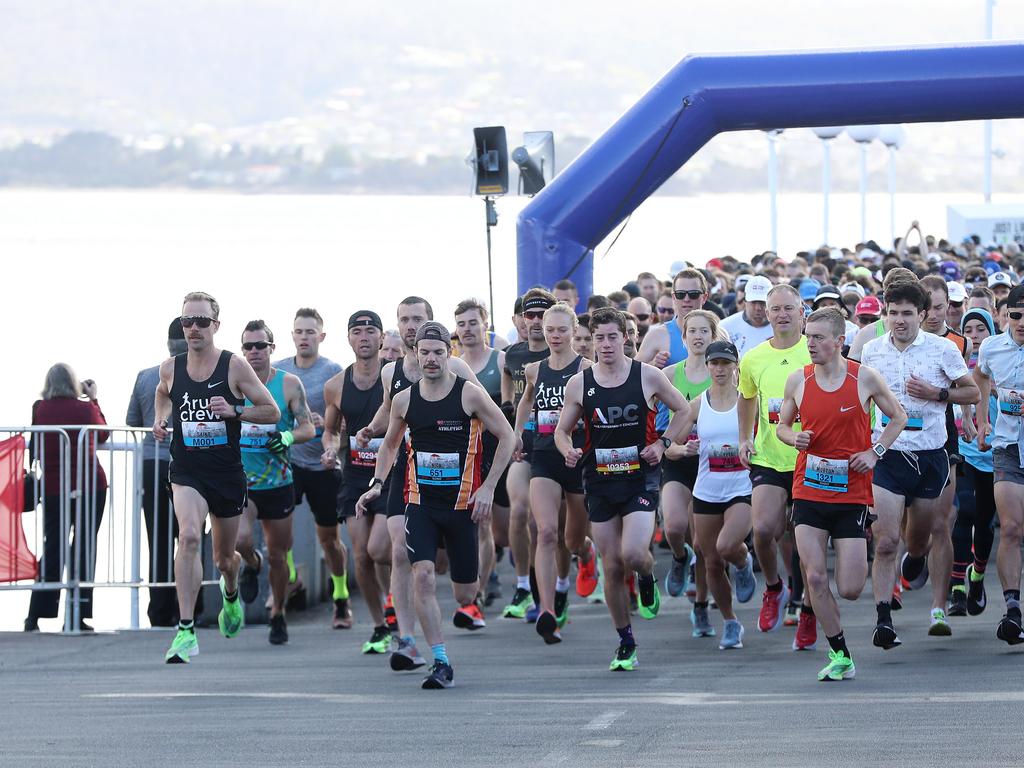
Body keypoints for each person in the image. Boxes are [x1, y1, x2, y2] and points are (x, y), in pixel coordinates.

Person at [356, 322, 515, 689]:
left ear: (449, 354)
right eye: (424, 352)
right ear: (415, 354)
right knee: (422, 575)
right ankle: (439, 661)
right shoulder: (404, 400)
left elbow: (506, 435)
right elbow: (390, 445)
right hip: (420, 502)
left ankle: (463, 589)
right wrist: (377, 485)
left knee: (465, 592)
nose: (430, 359)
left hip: (462, 506)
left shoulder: (469, 395)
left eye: (438, 353)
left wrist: (489, 488)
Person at [555, 307, 692, 671]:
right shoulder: (580, 383)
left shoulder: (647, 376)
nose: (606, 344)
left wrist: (662, 444)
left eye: (612, 336)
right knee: (611, 567)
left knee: (633, 554)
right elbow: (561, 429)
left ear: (626, 338)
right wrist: (566, 448)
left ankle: (647, 576)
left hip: (639, 479)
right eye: (599, 337)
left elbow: (684, 411)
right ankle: (625, 641)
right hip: (598, 481)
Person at [777, 307, 907, 681]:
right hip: (808, 490)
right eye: (808, 336)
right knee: (815, 577)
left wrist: (875, 452)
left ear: (839, 342)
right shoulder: (797, 380)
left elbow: (897, 417)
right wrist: (793, 437)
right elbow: (782, 427)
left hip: (851, 493)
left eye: (818, 337)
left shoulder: (864, 378)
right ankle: (840, 653)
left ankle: (836, 623)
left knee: (850, 588)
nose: (810, 344)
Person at [155, 291, 280, 663]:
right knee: (189, 536)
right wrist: (161, 419)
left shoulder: (234, 366)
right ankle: (186, 630)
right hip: (187, 469)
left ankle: (230, 590)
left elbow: (270, 411)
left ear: (216, 326)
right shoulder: (170, 367)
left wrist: (235, 410)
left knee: (225, 559)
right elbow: (164, 394)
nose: (193, 328)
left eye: (202, 322)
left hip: (225, 474)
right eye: (187, 322)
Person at [861, 281, 978, 647]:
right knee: (885, 540)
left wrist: (937, 394)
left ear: (923, 315)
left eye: (907, 314)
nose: (899, 320)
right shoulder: (871, 351)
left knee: (920, 539)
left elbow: (972, 391)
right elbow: (861, 401)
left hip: (931, 455)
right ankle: (883, 619)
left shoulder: (942, 349)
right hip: (887, 454)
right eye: (893, 313)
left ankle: (918, 562)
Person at [514, 303, 595, 643]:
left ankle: (586, 553)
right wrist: (517, 433)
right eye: (550, 330)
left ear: (573, 331)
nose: (556, 336)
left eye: (562, 330)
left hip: (578, 457)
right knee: (545, 531)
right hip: (545, 455)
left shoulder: (587, 368)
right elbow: (526, 401)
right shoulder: (534, 370)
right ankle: (547, 610)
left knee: (571, 539)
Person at [668, 340, 757, 648]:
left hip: (742, 486)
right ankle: (731, 622)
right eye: (714, 363)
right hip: (707, 489)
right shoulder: (696, 405)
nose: (720, 369)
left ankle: (744, 563)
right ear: (707, 366)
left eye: (725, 363)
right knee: (711, 562)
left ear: (736, 367)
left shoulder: (748, 401)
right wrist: (684, 448)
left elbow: (770, 436)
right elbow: (671, 447)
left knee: (727, 545)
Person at [234, 320, 315, 645]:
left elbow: (308, 427)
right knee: (241, 540)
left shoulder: (289, 384)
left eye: (260, 346)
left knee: (280, 556)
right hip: (242, 482)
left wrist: (286, 435)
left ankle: (278, 613)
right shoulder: (233, 383)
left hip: (279, 481)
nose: (254, 352)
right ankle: (252, 564)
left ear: (271, 348)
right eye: (248, 347)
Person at [737, 284, 812, 636]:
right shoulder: (753, 357)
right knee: (764, 530)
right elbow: (747, 398)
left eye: (788, 308)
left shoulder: (814, 352)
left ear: (802, 312)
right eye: (775, 309)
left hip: (811, 457)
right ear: (766, 314)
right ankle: (773, 588)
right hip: (769, 456)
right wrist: (743, 438)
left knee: (805, 540)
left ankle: (808, 607)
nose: (782, 314)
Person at [322, 310, 395, 654]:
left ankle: (397, 600)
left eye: (370, 331)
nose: (364, 336)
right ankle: (381, 625)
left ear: (381, 338)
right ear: (348, 339)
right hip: (354, 478)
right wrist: (327, 451)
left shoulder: (396, 378)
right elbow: (330, 431)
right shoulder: (335, 385)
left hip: (392, 474)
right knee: (362, 556)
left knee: (381, 549)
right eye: (357, 331)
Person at [274, 309, 350, 629]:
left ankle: (341, 597)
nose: (304, 337)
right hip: (286, 461)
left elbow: (346, 423)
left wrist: (325, 425)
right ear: (292, 336)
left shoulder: (333, 372)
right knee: (278, 532)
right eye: (298, 332)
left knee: (329, 540)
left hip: (322, 463)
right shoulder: (277, 371)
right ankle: (291, 575)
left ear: (321, 336)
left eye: (310, 332)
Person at [24, 364, 109, 632]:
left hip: (52, 488)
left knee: (53, 549)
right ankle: (77, 615)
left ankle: (35, 616)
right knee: (84, 548)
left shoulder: (40, 409)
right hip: (90, 486)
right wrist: (93, 397)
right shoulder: (85, 409)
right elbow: (103, 434)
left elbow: (35, 450)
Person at [659, 310, 719, 634]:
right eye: (691, 331)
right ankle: (678, 558)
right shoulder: (669, 375)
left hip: (711, 464)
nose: (697, 337)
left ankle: (701, 607)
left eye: (704, 331)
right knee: (674, 526)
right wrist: (673, 447)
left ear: (713, 336)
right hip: (677, 458)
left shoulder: (722, 374)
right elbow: (657, 426)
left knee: (703, 544)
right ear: (683, 338)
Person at [126, 317, 188, 627]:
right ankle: (192, 606)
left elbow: (133, 421)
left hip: (152, 463)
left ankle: (159, 611)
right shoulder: (198, 376)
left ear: (167, 344)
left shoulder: (146, 377)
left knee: (158, 540)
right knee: (190, 537)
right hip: (190, 463)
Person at [973, 284, 1024, 645]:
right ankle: (1012, 609)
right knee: (1010, 528)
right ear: (1006, 316)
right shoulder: (992, 347)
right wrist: (981, 419)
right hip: (1007, 447)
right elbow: (979, 378)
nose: (1022, 323)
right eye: (1017, 315)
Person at [500, 289, 553, 620]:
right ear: (520, 319)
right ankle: (523, 586)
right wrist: (512, 425)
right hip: (523, 446)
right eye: (529, 315)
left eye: (541, 316)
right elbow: (508, 388)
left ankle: (551, 587)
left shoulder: (563, 353)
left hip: (554, 447)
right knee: (519, 512)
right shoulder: (511, 356)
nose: (534, 322)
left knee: (545, 527)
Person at [453, 299, 509, 610]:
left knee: (502, 531)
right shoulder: (450, 364)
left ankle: (513, 576)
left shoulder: (500, 362)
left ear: (485, 324)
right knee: (481, 524)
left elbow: (511, 411)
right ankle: (479, 591)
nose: (467, 329)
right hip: (463, 454)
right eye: (461, 324)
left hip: (496, 450)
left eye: (473, 323)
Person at [952, 308, 997, 618]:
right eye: (969, 329)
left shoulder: (1002, 365)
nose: (975, 334)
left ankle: (977, 576)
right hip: (964, 449)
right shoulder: (955, 363)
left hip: (997, 455)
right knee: (964, 511)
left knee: (984, 523)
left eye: (982, 328)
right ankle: (956, 588)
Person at [720, 275, 773, 358]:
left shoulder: (782, 327)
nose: (758, 308)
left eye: (762, 303)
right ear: (745, 302)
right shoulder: (724, 327)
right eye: (753, 302)